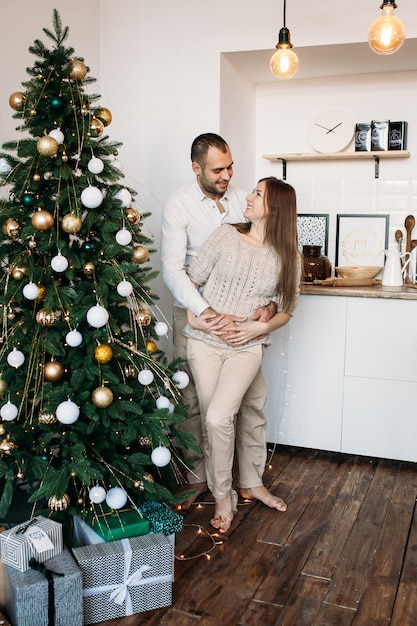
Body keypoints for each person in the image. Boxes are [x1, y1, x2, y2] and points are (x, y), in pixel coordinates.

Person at [161, 133, 277, 509]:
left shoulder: (244, 199)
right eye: (217, 170)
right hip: (195, 312)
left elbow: (269, 256)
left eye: (230, 167)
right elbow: (173, 271)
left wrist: (271, 306)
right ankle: (199, 478)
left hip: (241, 321)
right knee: (193, 402)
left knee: (252, 399)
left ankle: (251, 479)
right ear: (196, 168)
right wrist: (206, 313)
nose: (226, 176)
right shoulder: (178, 205)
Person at [184, 177, 301, 533]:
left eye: (257, 193)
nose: (247, 197)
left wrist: (258, 328)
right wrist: (202, 322)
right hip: (204, 343)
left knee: (220, 417)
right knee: (212, 418)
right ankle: (224, 496)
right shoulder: (225, 235)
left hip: (246, 347)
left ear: (275, 208)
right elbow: (189, 283)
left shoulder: (287, 255)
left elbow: (287, 307)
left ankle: (243, 486)